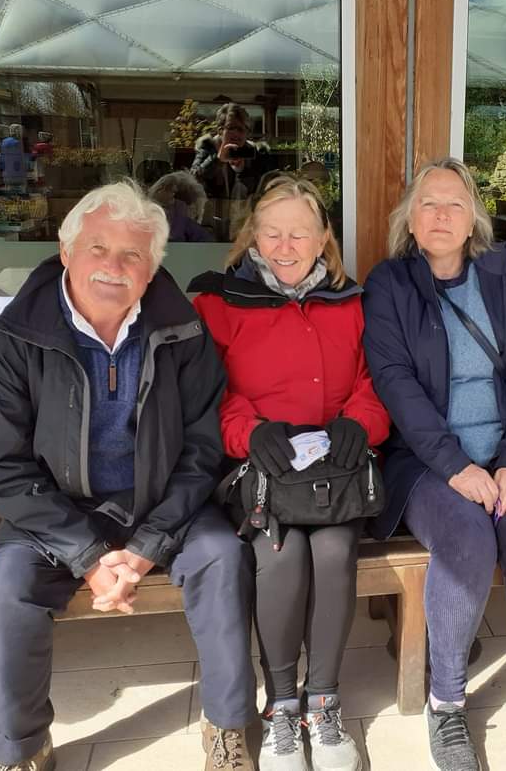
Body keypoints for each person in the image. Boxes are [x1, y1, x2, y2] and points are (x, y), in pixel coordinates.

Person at [0, 181, 257, 771]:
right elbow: (4, 466)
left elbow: (202, 450)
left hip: (162, 502)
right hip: (56, 509)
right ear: (66, 251)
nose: (114, 267)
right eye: (98, 248)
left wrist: (148, 546)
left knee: (223, 558)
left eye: (132, 255)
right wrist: (90, 557)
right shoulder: (15, 336)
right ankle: (21, 747)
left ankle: (228, 728)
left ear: (152, 269)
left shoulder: (184, 332)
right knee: (5, 590)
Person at [362, 158, 506, 771]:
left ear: (473, 217)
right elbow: (394, 381)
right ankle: (447, 701)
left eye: (455, 203)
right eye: (429, 204)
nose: (442, 215)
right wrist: (455, 466)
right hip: (429, 464)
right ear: (410, 219)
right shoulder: (390, 284)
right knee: (467, 539)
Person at [190, 174, 389, 771]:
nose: (284, 246)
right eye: (271, 233)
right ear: (253, 235)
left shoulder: (351, 302)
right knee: (280, 553)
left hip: (335, 471)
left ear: (323, 237)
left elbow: (375, 381)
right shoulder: (219, 302)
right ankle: (280, 706)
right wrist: (248, 431)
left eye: (299, 233)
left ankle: (322, 704)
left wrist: (361, 423)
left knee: (333, 550)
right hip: (259, 470)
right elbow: (204, 392)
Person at [191, 103, 275, 241]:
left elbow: (267, 186)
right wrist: (218, 160)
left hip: (246, 225)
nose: (236, 134)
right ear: (220, 130)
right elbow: (193, 179)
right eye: (230, 128)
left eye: (241, 129)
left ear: (247, 133)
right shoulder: (209, 147)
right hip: (212, 223)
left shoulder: (256, 153)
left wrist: (243, 170)